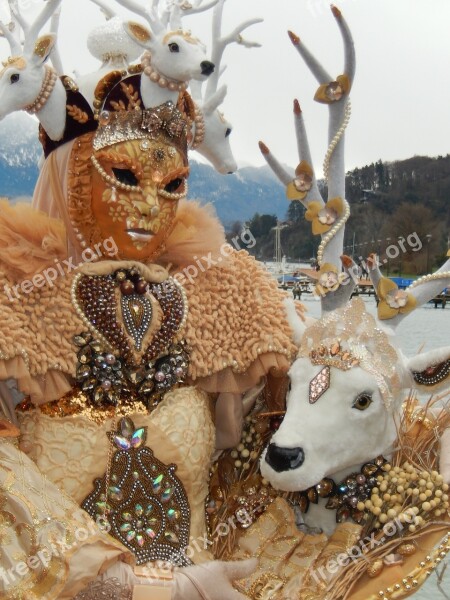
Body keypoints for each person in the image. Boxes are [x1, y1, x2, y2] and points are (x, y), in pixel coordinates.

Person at [0, 72, 299, 598]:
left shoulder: (221, 299)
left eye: (172, 186)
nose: (148, 205)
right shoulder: (16, 299)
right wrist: (137, 586)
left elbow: (267, 454)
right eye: (123, 175)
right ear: (71, 174)